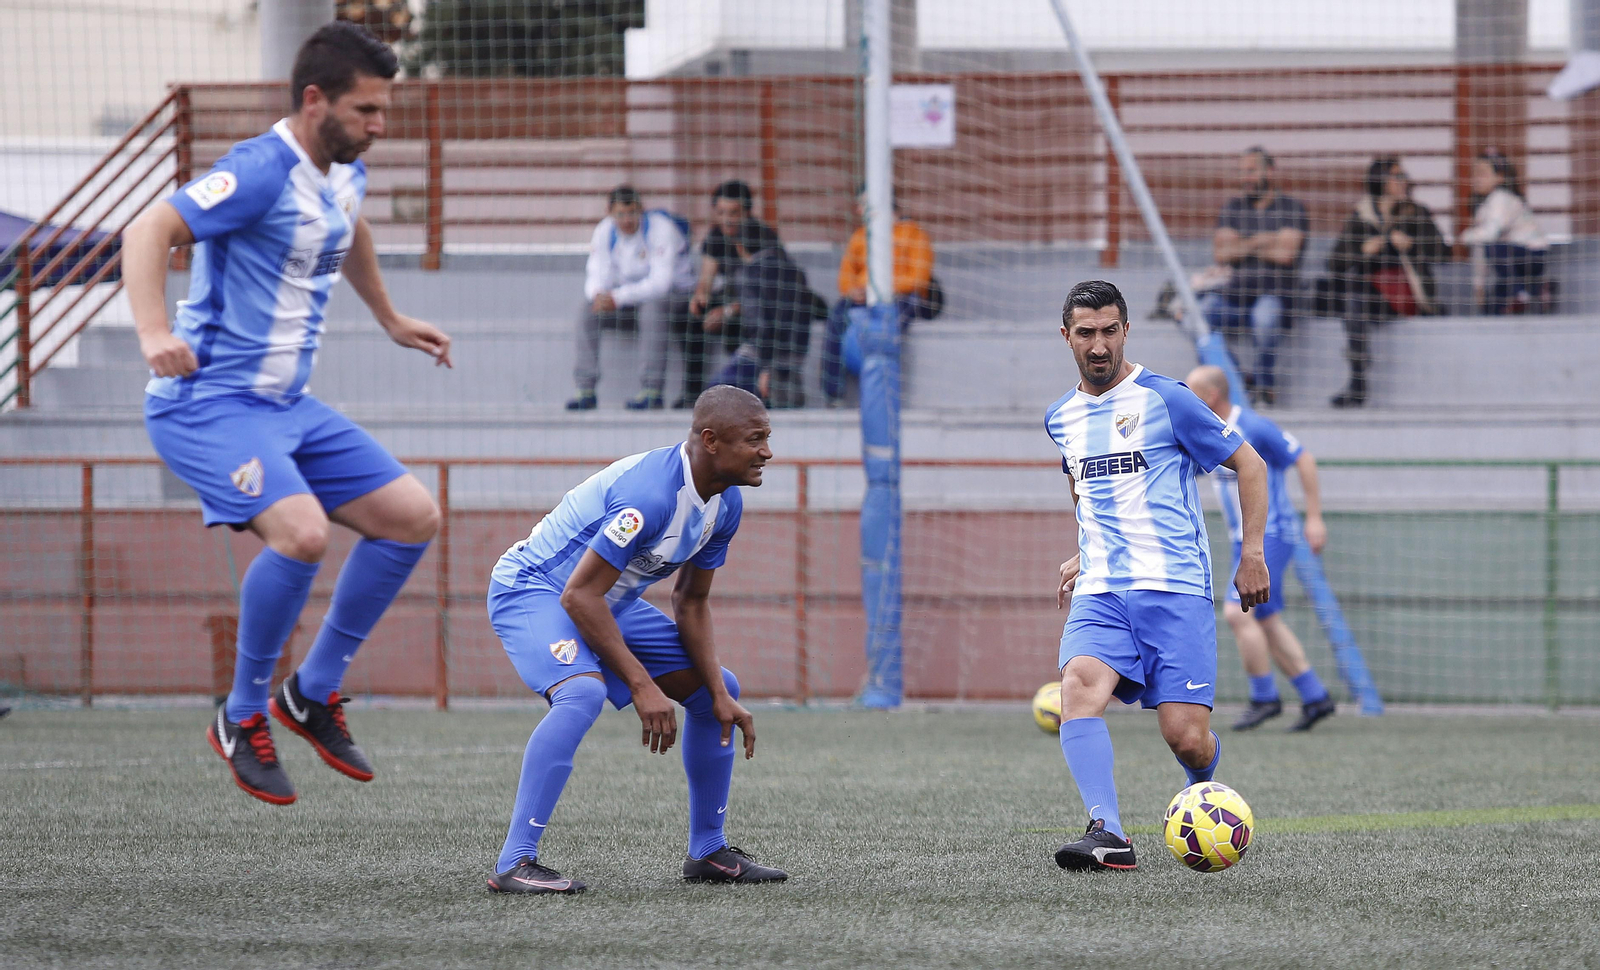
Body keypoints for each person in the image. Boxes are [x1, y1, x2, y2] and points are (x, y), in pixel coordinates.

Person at [123, 22, 449, 806]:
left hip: (285, 407)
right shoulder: (263, 169)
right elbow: (149, 227)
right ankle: (241, 715)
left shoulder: (344, 171)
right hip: (206, 404)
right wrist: (154, 331)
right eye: (367, 110)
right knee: (301, 534)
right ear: (314, 101)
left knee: (412, 516)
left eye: (383, 110)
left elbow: (352, 229)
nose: (380, 126)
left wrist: (391, 318)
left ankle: (311, 693)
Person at [484, 386, 788, 894]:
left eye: (768, 439)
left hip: (604, 601)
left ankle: (709, 852)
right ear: (711, 441)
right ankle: (515, 863)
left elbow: (690, 602)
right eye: (755, 439)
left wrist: (716, 692)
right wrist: (643, 685)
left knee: (720, 691)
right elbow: (578, 596)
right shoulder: (648, 496)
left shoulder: (725, 503)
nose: (767, 452)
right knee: (581, 693)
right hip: (535, 590)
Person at [1047, 280, 1270, 872]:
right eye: (1086, 333)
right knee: (1079, 687)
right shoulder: (1060, 417)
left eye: (1109, 331)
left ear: (1126, 331)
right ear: (1066, 336)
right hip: (1102, 589)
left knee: (1185, 737)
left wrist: (1252, 553)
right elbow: (1084, 484)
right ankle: (1109, 834)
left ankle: (1205, 788)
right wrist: (1084, 548)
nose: (1099, 345)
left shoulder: (1166, 399)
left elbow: (1250, 463)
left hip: (1174, 586)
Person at [1185, 366, 1338, 732]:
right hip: (1246, 539)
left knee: (1239, 614)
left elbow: (1304, 458)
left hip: (1271, 534)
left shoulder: (1252, 426)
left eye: (1192, 392)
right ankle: (1315, 696)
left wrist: (1314, 517)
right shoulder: (1208, 432)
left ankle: (1264, 698)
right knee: (1264, 617)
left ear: (1210, 396)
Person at [1324, 156, 1448, 408]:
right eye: (1397, 177)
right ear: (1381, 181)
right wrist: (1364, 250)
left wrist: (1411, 245)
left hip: (1409, 294)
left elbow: (1443, 253)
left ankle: (1358, 381)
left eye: (1404, 177)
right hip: (1373, 295)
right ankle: (1358, 379)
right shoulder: (1362, 216)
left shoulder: (1417, 213)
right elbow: (1334, 262)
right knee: (1353, 291)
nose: (1404, 182)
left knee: (1354, 294)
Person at [566, 185, 697, 412]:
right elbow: (596, 272)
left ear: (641, 210)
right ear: (610, 213)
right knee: (586, 309)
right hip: (628, 300)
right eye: (621, 214)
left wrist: (617, 297)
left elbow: (661, 284)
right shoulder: (605, 231)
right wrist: (599, 295)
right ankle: (585, 389)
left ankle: (652, 390)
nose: (627, 220)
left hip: (675, 298)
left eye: (632, 213)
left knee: (652, 310)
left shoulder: (661, 229)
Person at [1204, 147, 1307, 405]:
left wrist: (1243, 245)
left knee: (1264, 318)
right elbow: (1222, 253)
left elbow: (1287, 254)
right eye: (1242, 172)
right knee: (1198, 314)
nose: (1245, 178)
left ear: (1269, 172)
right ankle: (1238, 379)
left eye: (1251, 171)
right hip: (1234, 296)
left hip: (1273, 296)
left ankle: (1263, 386)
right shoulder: (1232, 208)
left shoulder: (1291, 207)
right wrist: (1266, 240)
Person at [674, 180, 782, 409]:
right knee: (691, 315)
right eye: (721, 212)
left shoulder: (762, 237)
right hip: (732, 300)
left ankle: (751, 390)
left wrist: (728, 311)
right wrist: (700, 297)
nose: (727, 219)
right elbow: (707, 277)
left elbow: (765, 295)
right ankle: (692, 392)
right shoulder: (716, 236)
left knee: (748, 320)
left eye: (733, 213)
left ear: (747, 212)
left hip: (764, 307)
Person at [822, 191, 936, 406]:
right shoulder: (860, 236)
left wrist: (882, 289)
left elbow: (919, 278)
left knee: (889, 324)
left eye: (863, 205)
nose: (858, 211)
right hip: (863, 296)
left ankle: (886, 388)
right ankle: (833, 392)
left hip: (901, 296)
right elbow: (846, 275)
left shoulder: (913, 234)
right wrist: (853, 290)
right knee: (836, 318)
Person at [1459, 149, 1548, 315]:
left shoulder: (1501, 198)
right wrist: (1479, 286)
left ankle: (1521, 294)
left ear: (1500, 177)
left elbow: (1490, 235)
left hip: (1531, 255)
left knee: (1495, 248)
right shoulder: (1484, 207)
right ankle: (1535, 289)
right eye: (1475, 173)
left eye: (1483, 173)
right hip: (1511, 263)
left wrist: (1466, 236)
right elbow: (1480, 249)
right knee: (1493, 305)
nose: (1476, 179)